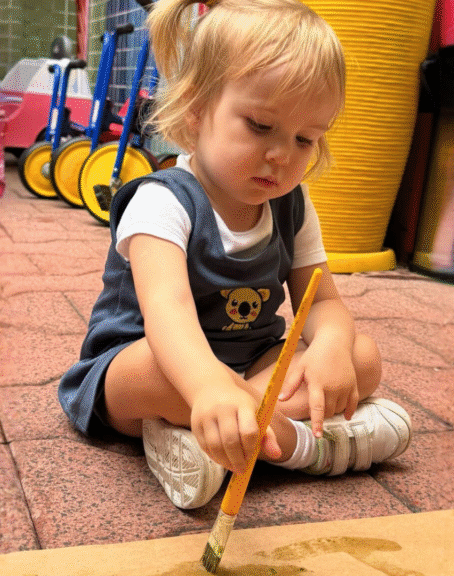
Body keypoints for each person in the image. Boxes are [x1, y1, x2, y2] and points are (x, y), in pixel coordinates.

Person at [58, 0, 411, 510]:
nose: (282, 155)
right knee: (160, 371)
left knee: (362, 357)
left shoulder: (291, 204)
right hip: (148, 368)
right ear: (197, 108)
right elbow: (168, 314)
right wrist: (206, 386)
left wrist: (331, 345)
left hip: (249, 364)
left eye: (305, 139)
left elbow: (322, 301)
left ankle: (214, 438)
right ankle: (303, 447)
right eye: (261, 126)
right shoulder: (162, 201)